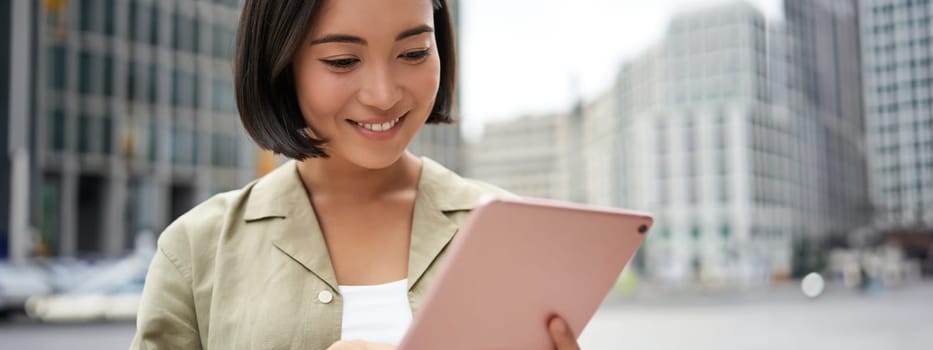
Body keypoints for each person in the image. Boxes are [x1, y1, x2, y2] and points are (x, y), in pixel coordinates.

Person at [130, 0, 581, 349]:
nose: (383, 95)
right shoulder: (195, 250)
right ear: (281, 62)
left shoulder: (511, 231)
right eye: (343, 61)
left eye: (414, 52)